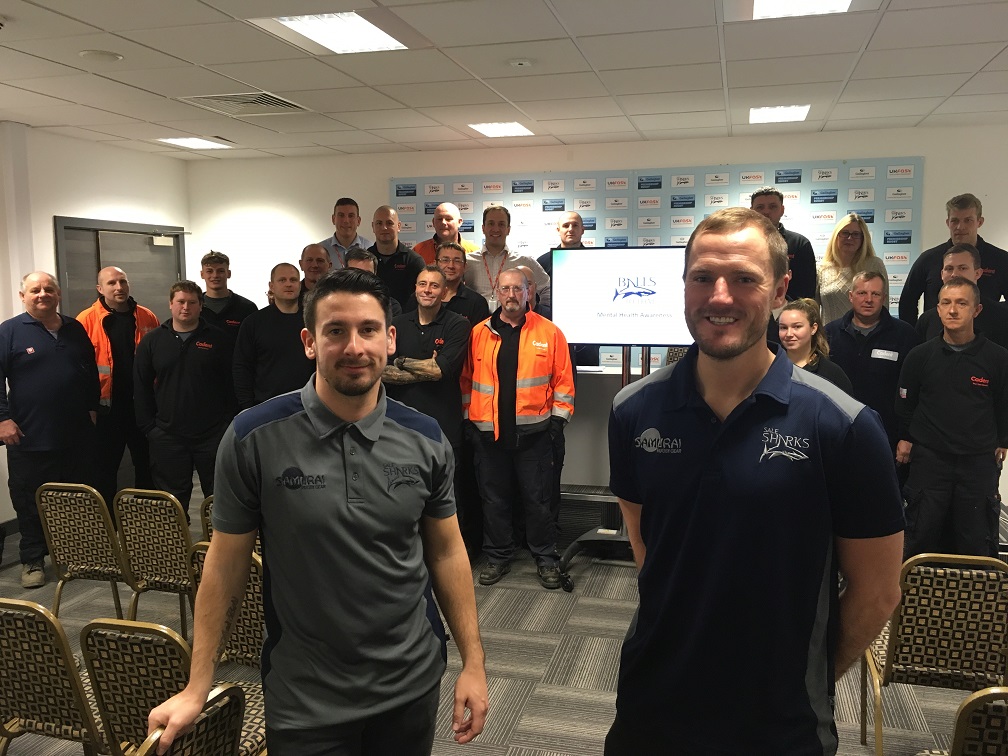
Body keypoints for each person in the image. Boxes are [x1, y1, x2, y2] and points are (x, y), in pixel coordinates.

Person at [148, 268, 487, 755]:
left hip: (410, 685)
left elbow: (447, 553)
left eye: (368, 330)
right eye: (336, 331)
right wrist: (197, 685)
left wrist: (473, 662)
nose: (354, 347)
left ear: (390, 339)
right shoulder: (252, 437)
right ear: (309, 342)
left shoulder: (426, 437)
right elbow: (224, 567)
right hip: (305, 697)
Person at [605, 208, 905, 754]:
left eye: (744, 278)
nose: (720, 296)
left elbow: (878, 592)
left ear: (781, 290)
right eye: (703, 277)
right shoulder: (633, 411)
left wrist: (808, 676)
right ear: (685, 285)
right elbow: (645, 545)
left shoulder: (845, 426)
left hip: (778, 722)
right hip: (651, 708)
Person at [461, 268, 574, 590]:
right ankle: (498, 556)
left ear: (529, 292)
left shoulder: (550, 332)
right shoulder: (479, 332)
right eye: (505, 289)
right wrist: (469, 419)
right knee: (494, 500)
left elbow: (564, 381)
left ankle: (546, 558)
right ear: (496, 291)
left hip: (535, 435)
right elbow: (467, 380)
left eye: (517, 289)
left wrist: (557, 422)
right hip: (489, 435)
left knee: (538, 500)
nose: (511, 295)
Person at [896, 276, 1008, 558]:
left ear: (977, 310)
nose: (953, 310)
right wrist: (908, 437)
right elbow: (905, 404)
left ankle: (976, 589)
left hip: (978, 463)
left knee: (977, 543)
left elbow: (1004, 404)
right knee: (918, 537)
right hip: (930, 462)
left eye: (961, 303)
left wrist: (1002, 440)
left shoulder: (998, 358)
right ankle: (914, 588)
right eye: (946, 303)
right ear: (937, 309)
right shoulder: (919, 356)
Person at [0, 272, 99, 588]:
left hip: (74, 434)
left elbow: (89, 370)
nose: (42, 294)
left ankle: (74, 555)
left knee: (74, 497)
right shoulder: (9, 331)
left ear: (58, 294)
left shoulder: (74, 328)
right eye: (35, 290)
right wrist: (2, 419)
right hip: (28, 435)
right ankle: (32, 560)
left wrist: (92, 407)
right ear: (23, 296)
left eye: (48, 289)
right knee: (29, 501)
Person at [383, 266, 475, 551]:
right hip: (400, 426)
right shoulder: (397, 323)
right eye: (422, 284)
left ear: (444, 292)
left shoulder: (458, 324)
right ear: (415, 288)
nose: (427, 290)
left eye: (434, 285)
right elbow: (381, 371)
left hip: (443, 425)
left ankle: (453, 554)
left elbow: (439, 371)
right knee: (401, 490)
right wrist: (424, 366)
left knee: (449, 494)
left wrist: (401, 362)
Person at [134, 281, 236, 514]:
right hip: (167, 435)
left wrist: (226, 424)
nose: (186, 307)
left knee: (219, 499)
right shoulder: (152, 341)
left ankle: (215, 538)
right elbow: (140, 387)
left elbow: (231, 384)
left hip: (212, 435)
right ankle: (175, 539)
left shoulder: (219, 339)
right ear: (171, 304)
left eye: (192, 302)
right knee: (171, 504)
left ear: (201, 306)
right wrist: (149, 427)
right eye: (180, 302)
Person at [76, 266, 159, 510]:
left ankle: (146, 518)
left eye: (123, 281)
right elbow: (79, 368)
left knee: (148, 467)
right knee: (104, 470)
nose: (119, 287)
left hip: (141, 408)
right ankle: (107, 523)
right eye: (112, 283)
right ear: (100, 289)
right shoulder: (86, 320)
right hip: (106, 411)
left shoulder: (146, 316)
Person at [825, 270, 920, 453]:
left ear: (884, 298)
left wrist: (907, 436)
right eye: (862, 293)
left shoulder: (905, 335)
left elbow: (914, 389)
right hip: (837, 432)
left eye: (875, 294)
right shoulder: (829, 334)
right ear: (851, 296)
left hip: (888, 435)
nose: (868, 299)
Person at [898, 193, 1008, 325]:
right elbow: (907, 301)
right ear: (947, 222)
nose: (960, 227)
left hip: (986, 335)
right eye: (955, 221)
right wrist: (916, 333)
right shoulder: (928, 259)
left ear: (980, 222)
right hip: (936, 335)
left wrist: (995, 321)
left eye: (968, 220)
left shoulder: (1001, 260)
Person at [232, 263, 315, 410]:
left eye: (293, 280)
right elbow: (242, 367)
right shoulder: (254, 323)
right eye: (282, 280)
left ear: (300, 284)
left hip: (309, 405)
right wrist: (247, 407)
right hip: (266, 406)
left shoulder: (313, 321)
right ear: (271, 286)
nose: (288, 284)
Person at [915, 244, 1008, 348]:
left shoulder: (1001, 317)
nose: (954, 274)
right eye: (949, 268)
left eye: (962, 268)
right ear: (942, 274)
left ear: (977, 273)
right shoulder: (926, 321)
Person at [465, 205, 550, 311]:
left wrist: (540, 312)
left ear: (508, 229)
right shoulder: (468, 262)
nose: (496, 229)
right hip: (477, 320)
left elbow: (547, 288)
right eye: (491, 223)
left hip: (515, 320)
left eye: (501, 224)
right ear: (483, 228)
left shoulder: (525, 261)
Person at [816, 213, 889, 325]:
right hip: (830, 334)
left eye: (856, 234)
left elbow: (884, 306)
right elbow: (813, 311)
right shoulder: (821, 269)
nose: (850, 238)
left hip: (869, 333)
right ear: (836, 236)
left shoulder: (874, 265)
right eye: (845, 233)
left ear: (863, 238)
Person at [750, 186, 817, 300]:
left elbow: (807, 291)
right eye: (760, 207)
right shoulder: (739, 243)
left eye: (773, 206)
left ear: (782, 210)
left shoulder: (800, 243)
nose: (766, 212)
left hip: (789, 309)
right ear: (752, 211)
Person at [779, 298, 853, 393]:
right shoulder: (770, 368)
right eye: (783, 328)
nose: (789, 334)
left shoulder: (831, 374)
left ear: (813, 328)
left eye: (797, 327)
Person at [411, 241, 489, 327]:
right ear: (436, 264)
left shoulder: (477, 303)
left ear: (465, 267)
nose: (451, 266)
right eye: (445, 260)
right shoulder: (419, 297)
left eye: (457, 261)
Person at [368, 205, 426, 307]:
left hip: (406, 317)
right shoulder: (365, 260)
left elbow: (421, 298)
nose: (384, 227)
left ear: (398, 226)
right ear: (373, 227)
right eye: (379, 223)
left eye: (389, 223)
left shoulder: (414, 261)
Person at [198, 251, 258, 336]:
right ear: (202, 274)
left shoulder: (247, 308)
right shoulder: (193, 306)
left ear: (229, 274)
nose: (215, 275)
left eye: (221, 271)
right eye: (209, 271)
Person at [412, 202, 480, 265]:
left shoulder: (474, 251)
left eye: (448, 219)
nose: (443, 223)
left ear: (459, 222)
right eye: (439, 219)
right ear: (433, 222)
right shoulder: (418, 250)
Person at [345, 245, 403, 317]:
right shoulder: (334, 302)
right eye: (355, 272)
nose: (361, 277)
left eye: (367, 273)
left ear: (375, 274)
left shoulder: (390, 307)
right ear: (345, 273)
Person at [319, 197, 372, 268]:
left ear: (358, 221)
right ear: (333, 219)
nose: (346, 221)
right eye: (341, 215)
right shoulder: (321, 250)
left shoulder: (370, 249)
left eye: (351, 216)